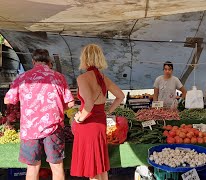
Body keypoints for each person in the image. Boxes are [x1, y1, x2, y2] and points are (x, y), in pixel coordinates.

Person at [4, 49, 74, 180]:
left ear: (33, 61)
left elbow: (8, 100)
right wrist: (58, 107)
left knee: (33, 167)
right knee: (57, 167)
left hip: (30, 129)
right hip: (54, 128)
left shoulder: (23, 77)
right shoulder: (58, 77)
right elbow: (70, 104)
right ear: (49, 62)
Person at [71, 44, 124, 180]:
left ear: (84, 58)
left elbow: (88, 104)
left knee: (91, 168)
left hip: (88, 125)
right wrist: (108, 111)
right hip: (100, 122)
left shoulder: (83, 78)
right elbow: (120, 96)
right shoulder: (103, 77)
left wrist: (79, 118)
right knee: (100, 164)